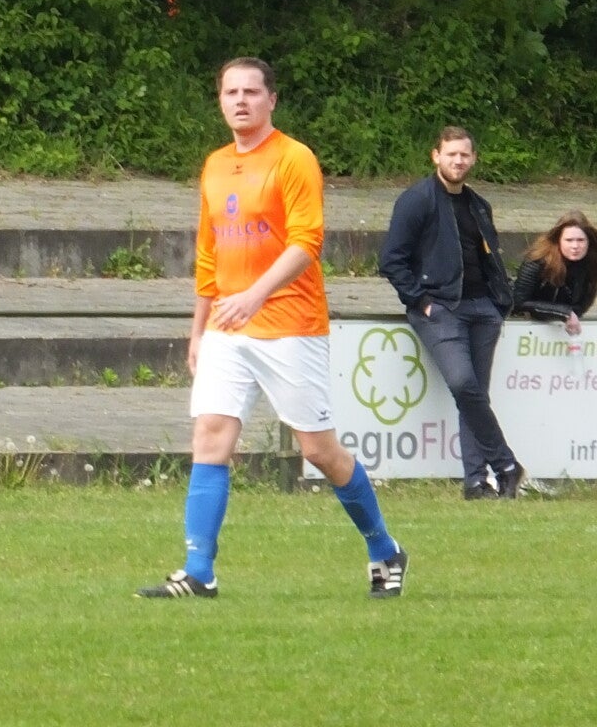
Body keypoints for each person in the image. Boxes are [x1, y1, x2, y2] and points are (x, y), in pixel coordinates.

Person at [140, 57, 409, 600]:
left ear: (271, 100)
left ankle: (384, 548)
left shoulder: (294, 158)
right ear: (220, 100)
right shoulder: (216, 164)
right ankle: (199, 571)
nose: (240, 100)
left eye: (251, 92)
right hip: (227, 327)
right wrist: (199, 329)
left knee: (318, 450)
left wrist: (255, 294)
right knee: (210, 435)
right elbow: (209, 251)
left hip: (290, 323)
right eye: (230, 92)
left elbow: (306, 242)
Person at [379, 127, 521, 500]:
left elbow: (490, 258)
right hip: (440, 308)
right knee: (463, 384)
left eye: (464, 155)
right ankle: (506, 465)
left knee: (474, 395)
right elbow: (391, 260)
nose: (458, 161)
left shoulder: (479, 205)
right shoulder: (417, 200)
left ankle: (476, 482)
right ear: (436, 156)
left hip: (483, 309)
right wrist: (421, 300)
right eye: (451, 154)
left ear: (473, 159)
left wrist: (499, 303)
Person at [510, 212, 594, 333]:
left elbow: (581, 307)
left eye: (581, 240)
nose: (575, 246)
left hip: (561, 328)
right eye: (569, 240)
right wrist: (564, 312)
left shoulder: (591, 263)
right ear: (558, 240)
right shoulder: (537, 260)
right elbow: (519, 302)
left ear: (588, 241)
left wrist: (568, 314)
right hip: (525, 325)